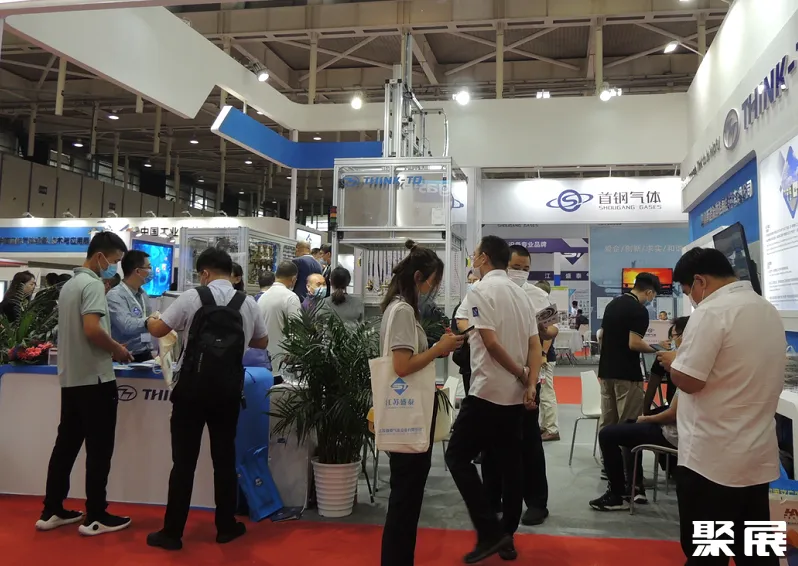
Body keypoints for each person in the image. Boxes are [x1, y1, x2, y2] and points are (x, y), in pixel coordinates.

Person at [657, 248, 786, 565]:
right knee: (756, 552)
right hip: (755, 456)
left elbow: (690, 381)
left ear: (700, 281)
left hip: (712, 461)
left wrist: (674, 362)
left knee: (707, 554)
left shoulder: (711, 312)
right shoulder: (766, 309)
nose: (692, 300)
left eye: (688, 291)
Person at [145, 247, 268, 551]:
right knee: (224, 460)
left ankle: (172, 532)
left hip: (191, 391)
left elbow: (159, 329)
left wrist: (150, 320)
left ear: (204, 273)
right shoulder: (247, 302)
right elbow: (262, 341)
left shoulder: (192, 297)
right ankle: (226, 527)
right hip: (228, 392)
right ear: (231, 272)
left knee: (183, 463)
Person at [445, 235, 543, 563]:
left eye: (475, 255)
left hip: (487, 392)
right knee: (510, 465)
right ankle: (507, 536)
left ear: (484, 258)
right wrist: (529, 381)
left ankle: (489, 530)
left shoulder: (480, 291)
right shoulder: (521, 294)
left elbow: (490, 343)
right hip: (514, 397)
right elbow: (534, 345)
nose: (473, 260)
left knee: (457, 457)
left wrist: (520, 374)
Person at [36, 232, 133, 536]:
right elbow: (92, 329)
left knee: (65, 447)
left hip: (72, 379)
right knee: (99, 450)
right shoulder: (92, 285)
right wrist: (116, 349)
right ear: (100, 256)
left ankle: (52, 510)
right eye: (115, 260)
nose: (114, 267)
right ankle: (96, 515)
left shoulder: (69, 285)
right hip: (96, 379)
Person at [379, 239, 463, 566]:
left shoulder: (401, 309)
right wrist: (439, 349)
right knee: (405, 499)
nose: (433, 289)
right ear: (418, 277)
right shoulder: (402, 310)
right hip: (408, 415)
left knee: (406, 499)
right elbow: (402, 366)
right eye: (432, 282)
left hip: (409, 413)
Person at [484, 245, 553, 527]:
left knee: (529, 443)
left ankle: (536, 502)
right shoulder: (489, 291)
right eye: (516, 267)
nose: (521, 273)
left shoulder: (537, 296)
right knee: (492, 443)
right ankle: (493, 499)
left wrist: (531, 375)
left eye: (526, 268)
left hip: (527, 377)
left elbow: (550, 330)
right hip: (493, 379)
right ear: (505, 265)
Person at [597, 271, 660, 476]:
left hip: (606, 372)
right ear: (649, 292)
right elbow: (634, 343)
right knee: (628, 425)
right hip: (627, 374)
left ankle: (609, 468)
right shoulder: (639, 310)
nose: (652, 299)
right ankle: (630, 474)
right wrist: (657, 349)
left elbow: (601, 337)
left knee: (608, 423)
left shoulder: (612, 305)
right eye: (653, 295)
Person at [589, 391, 680, 512]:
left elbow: (672, 414)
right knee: (627, 426)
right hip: (670, 430)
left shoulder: (689, 384)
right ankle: (632, 486)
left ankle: (620, 493)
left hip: (671, 435)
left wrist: (647, 419)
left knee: (607, 435)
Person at [107, 250, 156, 363]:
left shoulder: (143, 294)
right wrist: (149, 322)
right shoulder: (115, 295)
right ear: (138, 271)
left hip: (146, 353)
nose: (151, 271)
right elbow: (126, 325)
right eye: (149, 267)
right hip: (126, 357)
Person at [258, 261, 301, 379]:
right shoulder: (290, 297)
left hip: (264, 360)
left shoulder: (263, 297)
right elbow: (297, 330)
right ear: (293, 279)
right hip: (283, 361)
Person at [643, 317, 688, 411]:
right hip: (672, 408)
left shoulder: (696, 357)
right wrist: (646, 413)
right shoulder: (663, 356)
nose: (671, 341)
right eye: (670, 337)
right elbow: (652, 386)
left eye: (673, 336)